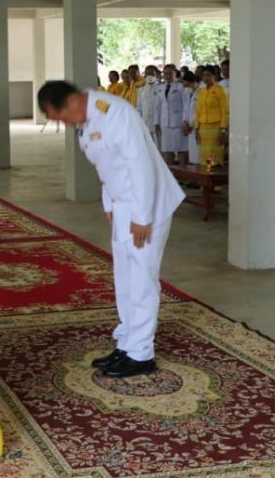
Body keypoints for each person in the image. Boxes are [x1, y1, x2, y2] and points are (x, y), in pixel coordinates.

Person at [37, 80, 185, 378]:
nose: (65, 125)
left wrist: (142, 217)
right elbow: (105, 167)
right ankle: (127, 342)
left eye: (61, 118)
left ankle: (141, 354)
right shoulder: (87, 120)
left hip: (147, 204)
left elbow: (140, 166)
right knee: (125, 276)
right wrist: (109, 204)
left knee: (141, 278)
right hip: (122, 204)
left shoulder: (116, 113)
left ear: (72, 102)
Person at [194, 67, 229, 166]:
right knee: (204, 158)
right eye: (204, 75)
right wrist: (196, 128)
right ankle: (205, 174)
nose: (206, 78)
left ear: (214, 76)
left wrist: (223, 130)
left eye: (208, 75)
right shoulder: (201, 91)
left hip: (216, 127)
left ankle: (214, 174)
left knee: (214, 158)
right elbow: (198, 111)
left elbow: (225, 111)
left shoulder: (220, 90)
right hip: (203, 128)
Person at [155, 66, 187, 165]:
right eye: (165, 73)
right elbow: (157, 107)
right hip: (165, 123)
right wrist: (156, 123)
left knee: (181, 149)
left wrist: (185, 121)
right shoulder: (160, 87)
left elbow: (186, 105)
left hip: (178, 123)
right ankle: (170, 172)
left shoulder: (181, 87)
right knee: (167, 150)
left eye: (170, 73)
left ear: (175, 74)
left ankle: (183, 172)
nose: (167, 76)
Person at [136, 65, 160, 144]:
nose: (150, 76)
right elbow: (139, 108)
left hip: (157, 124)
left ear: (156, 75)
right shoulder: (140, 90)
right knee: (146, 145)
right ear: (144, 75)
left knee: (157, 146)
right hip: (145, 122)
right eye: (148, 73)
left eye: (152, 74)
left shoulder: (160, 89)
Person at [181, 71, 200, 164]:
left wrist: (192, 125)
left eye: (187, 85)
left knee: (198, 153)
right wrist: (184, 122)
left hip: (197, 126)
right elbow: (185, 109)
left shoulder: (201, 92)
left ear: (192, 82)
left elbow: (200, 111)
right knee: (193, 154)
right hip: (189, 127)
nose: (185, 87)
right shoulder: (188, 93)